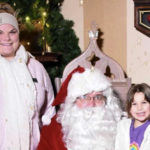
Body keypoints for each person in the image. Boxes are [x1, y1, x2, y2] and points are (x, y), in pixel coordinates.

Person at [0, 2, 55, 150]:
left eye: (12, 31)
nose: (7, 38)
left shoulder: (35, 68)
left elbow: (50, 111)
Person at [37, 66, 123, 150]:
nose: (92, 104)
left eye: (98, 97)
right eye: (85, 97)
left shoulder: (119, 126)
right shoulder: (53, 128)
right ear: (73, 101)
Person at [115, 83, 150, 150]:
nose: (139, 108)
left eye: (144, 102)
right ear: (129, 108)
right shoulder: (122, 126)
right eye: (134, 104)